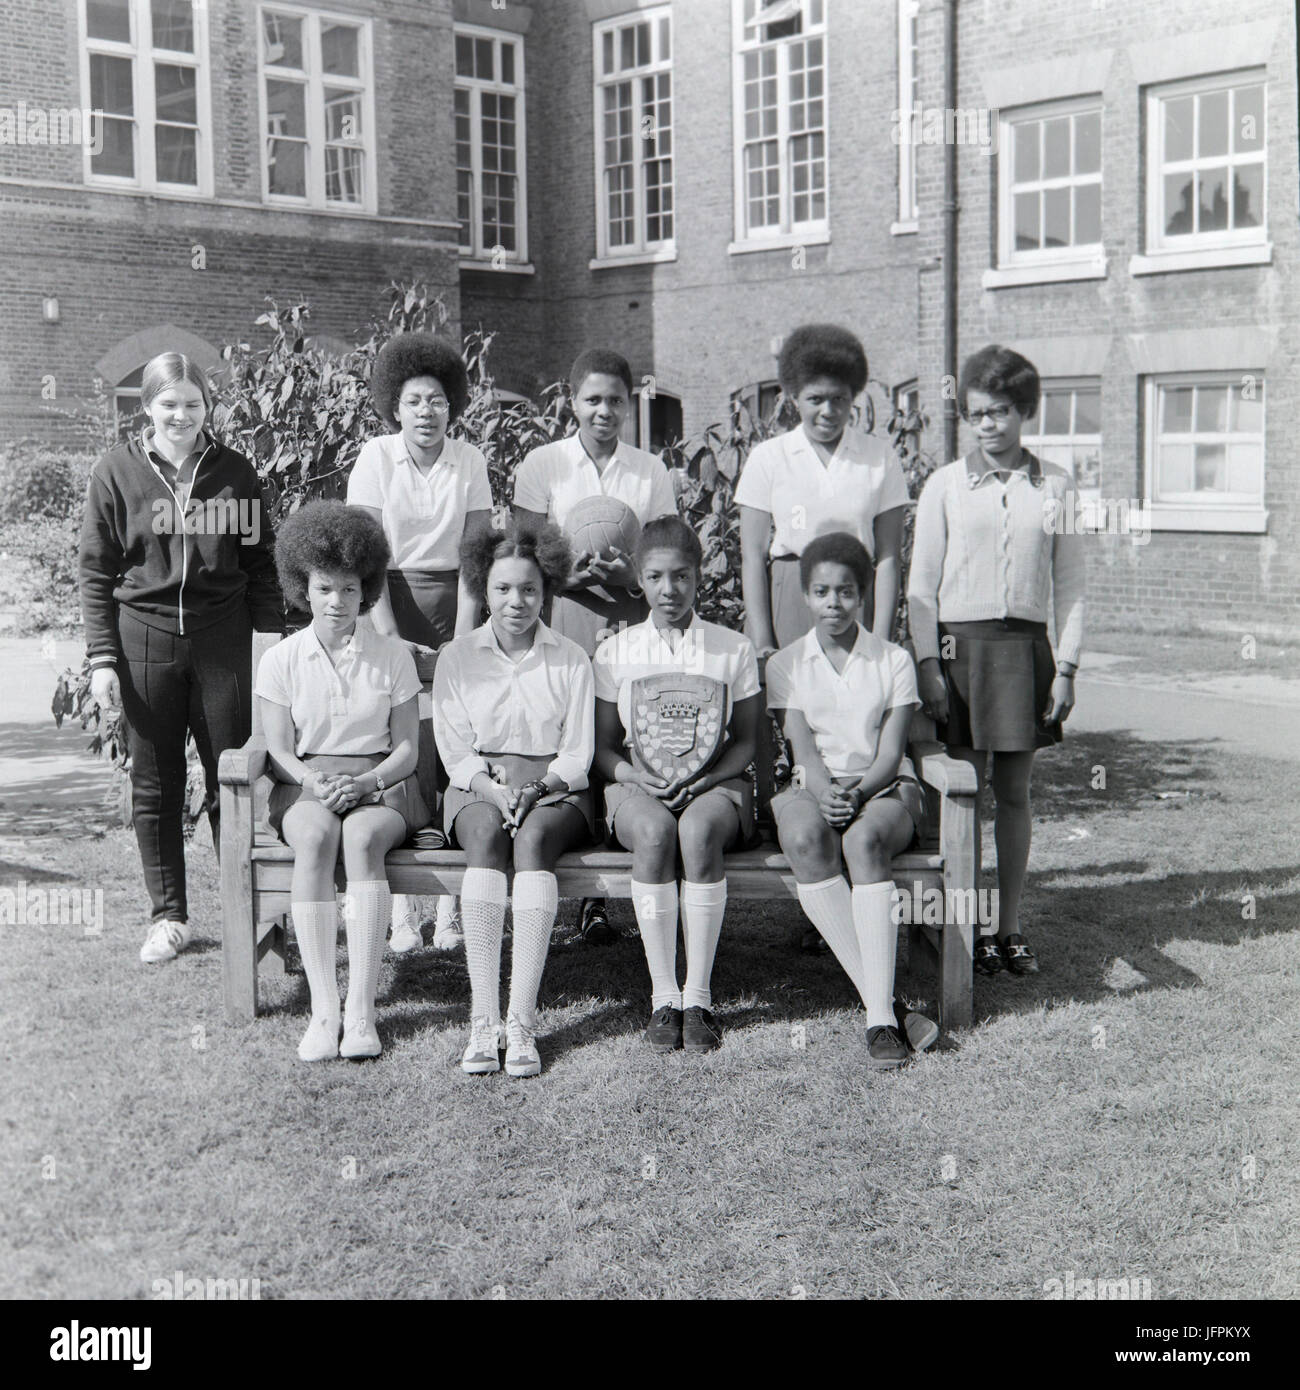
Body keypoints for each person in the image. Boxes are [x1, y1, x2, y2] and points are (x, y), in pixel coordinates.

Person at [79, 351, 283, 964]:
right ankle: (169, 917)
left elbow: (260, 566)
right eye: (168, 404)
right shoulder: (114, 473)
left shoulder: (234, 474)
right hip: (145, 640)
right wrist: (101, 660)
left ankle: (250, 916)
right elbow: (95, 572)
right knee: (156, 784)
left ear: (206, 408)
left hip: (224, 641)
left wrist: (269, 640)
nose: (181, 416)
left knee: (237, 782)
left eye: (192, 404)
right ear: (147, 407)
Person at [907, 344, 1084, 978]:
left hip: (1025, 651)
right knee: (961, 794)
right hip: (959, 652)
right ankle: (964, 925)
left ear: (1024, 410)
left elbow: (1073, 584)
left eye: (1001, 410)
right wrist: (929, 661)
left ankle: (1008, 927)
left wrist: (1066, 666)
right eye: (977, 413)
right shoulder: (943, 486)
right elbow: (921, 588)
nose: (988, 424)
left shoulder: (1057, 484)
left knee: (1013, 792)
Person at [514, 347, 677, 945]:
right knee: (568, 732)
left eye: (615, 400)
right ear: (572, 401)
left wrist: (632, 578)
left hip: (632, 615)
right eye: (592, 399)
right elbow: (523, 552)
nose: (603, 410)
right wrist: (564, 576)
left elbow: (664, 553)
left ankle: (619, 878)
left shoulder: (649, 471)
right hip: (565, 613)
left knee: (621, 731)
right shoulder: (543, 463)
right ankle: (572, 886)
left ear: (629, 405)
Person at [255, 501, 425, 1062]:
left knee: (360, 838)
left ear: (366, 591)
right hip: (305, 782)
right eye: (325, 588)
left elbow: (407, 748)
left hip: (380, 780)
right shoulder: (280, 658)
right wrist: (314, 782)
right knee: (314, 837)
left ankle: (362, 1010)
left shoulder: (393, 655)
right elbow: (278, 747)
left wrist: (368, 783)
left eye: (349, 590)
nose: (337, 602)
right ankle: (324, 1008)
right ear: (304, 587)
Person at [766, 533, 938, 1069]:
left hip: (882, 786)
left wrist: (857, 793)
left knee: (864, 839)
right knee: (802, 834)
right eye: (821, 592)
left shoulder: (892, 660)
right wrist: (824, 794)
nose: (833, 603)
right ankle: (886, 1005)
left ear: (863, 595)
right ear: (806, 595)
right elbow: (802, 750)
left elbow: (890, 754)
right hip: (812, 784)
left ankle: (878, 1022)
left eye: (845, 592)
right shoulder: (788, 664)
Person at [592, 515, 761, 1053]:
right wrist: (635, 775)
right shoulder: (616, 651)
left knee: (696, 832)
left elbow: (748, 741)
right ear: (639, 578)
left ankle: (699, 997)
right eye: (658, 577)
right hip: (637, 782)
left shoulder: (731, 648)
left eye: (683, 576)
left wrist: (709, 777)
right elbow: (601, 748)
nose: (671, 590)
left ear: (699, 577)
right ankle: (663, 997)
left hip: (717, 781)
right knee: (657, 833)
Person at [432, 521, 595, 1078]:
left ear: (546, 589)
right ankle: (484, 1020)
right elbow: (455, 751)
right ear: (484, 589)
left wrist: (536, 788)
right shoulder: (458, 657)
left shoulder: (571, 657)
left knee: (534, 841)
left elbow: (578, 755)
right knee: (482, 835)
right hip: (477, 785)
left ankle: (521, 1021)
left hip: (554, 790)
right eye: (503, 589)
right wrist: (490, 787)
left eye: (528, 588)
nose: (516, 601)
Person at [348, 331, 493, 955]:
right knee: (399, 742)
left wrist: (461, 639)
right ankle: (404, 909)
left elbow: (474, 557)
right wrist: (388, 640)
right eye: (413, 400)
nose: (426, 411)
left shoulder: (471, 461)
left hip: (452, 606)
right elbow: (367, 557)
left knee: (453, 740)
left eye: (436, 399)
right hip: (386, 604)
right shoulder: (375, 458)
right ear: (394, 405)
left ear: (451, 404)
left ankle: (453, 906)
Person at [736, 323, 909, 653]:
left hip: (855, 597)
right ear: (793, 398)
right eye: (815, 399)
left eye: (839, 399)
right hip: (789, 599)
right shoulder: (769, 457)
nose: (828, 412)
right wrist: (762, 640)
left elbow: (888, 558)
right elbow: (752, 557)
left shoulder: (879, 457)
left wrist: (883, 640)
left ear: (852, 397)